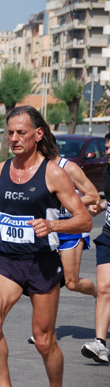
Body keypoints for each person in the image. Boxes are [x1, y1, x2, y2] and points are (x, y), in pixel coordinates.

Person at [0, 105, 92, 387]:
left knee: (43, 341)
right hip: (6, 261)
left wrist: (52, 225)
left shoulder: (53, 173)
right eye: (10, 133)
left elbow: (84, 220)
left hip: (41, 263)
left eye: (21, 132)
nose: (15, 138)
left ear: (38, 134)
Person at [27, 144, 98, 345]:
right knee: (45, 281)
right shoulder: (38, 170)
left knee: (71, 282)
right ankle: (44, 329)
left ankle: (99, 292)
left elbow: (92, 195)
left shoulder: (70, 167)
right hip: (49, 230)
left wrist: (67, 203)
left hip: (71, 229)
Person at [82, 132, 110, 364]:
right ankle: (100, 344)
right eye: (107, 148)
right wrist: (100, 208)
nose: (108, 152)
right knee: (104, 289)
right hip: (109, 237)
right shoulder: (107, 172)